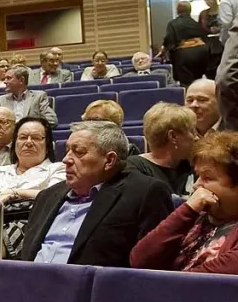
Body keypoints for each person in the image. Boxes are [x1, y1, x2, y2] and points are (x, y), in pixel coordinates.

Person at [19, 121, 174, 266]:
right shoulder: (47, 196)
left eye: (78, 152)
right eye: (67, 151)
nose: (66, 159)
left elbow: (152, 266)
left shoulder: (146, 192)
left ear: (109, 160)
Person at [132, 130, 238, 274]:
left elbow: (198, 281)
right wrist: (187, 210)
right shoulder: (195, 214)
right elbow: (139, 259)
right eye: (197, 176)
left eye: (207, 178)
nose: (196, 185)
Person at [126, 102, 198, 196]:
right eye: (192, 131)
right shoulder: (135, 170)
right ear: (173, 137)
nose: (196, 137)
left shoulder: (192, 164)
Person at [164, 0, 212, 87]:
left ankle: (189, 98)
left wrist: (168, 51)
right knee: (199, 79)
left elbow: (169, 40)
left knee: (186, 83)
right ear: (190, 10)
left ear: (177, 11)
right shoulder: (196, 23)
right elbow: (206, 38)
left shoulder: (172, 24)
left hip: (184, 54)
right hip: (202, 52)